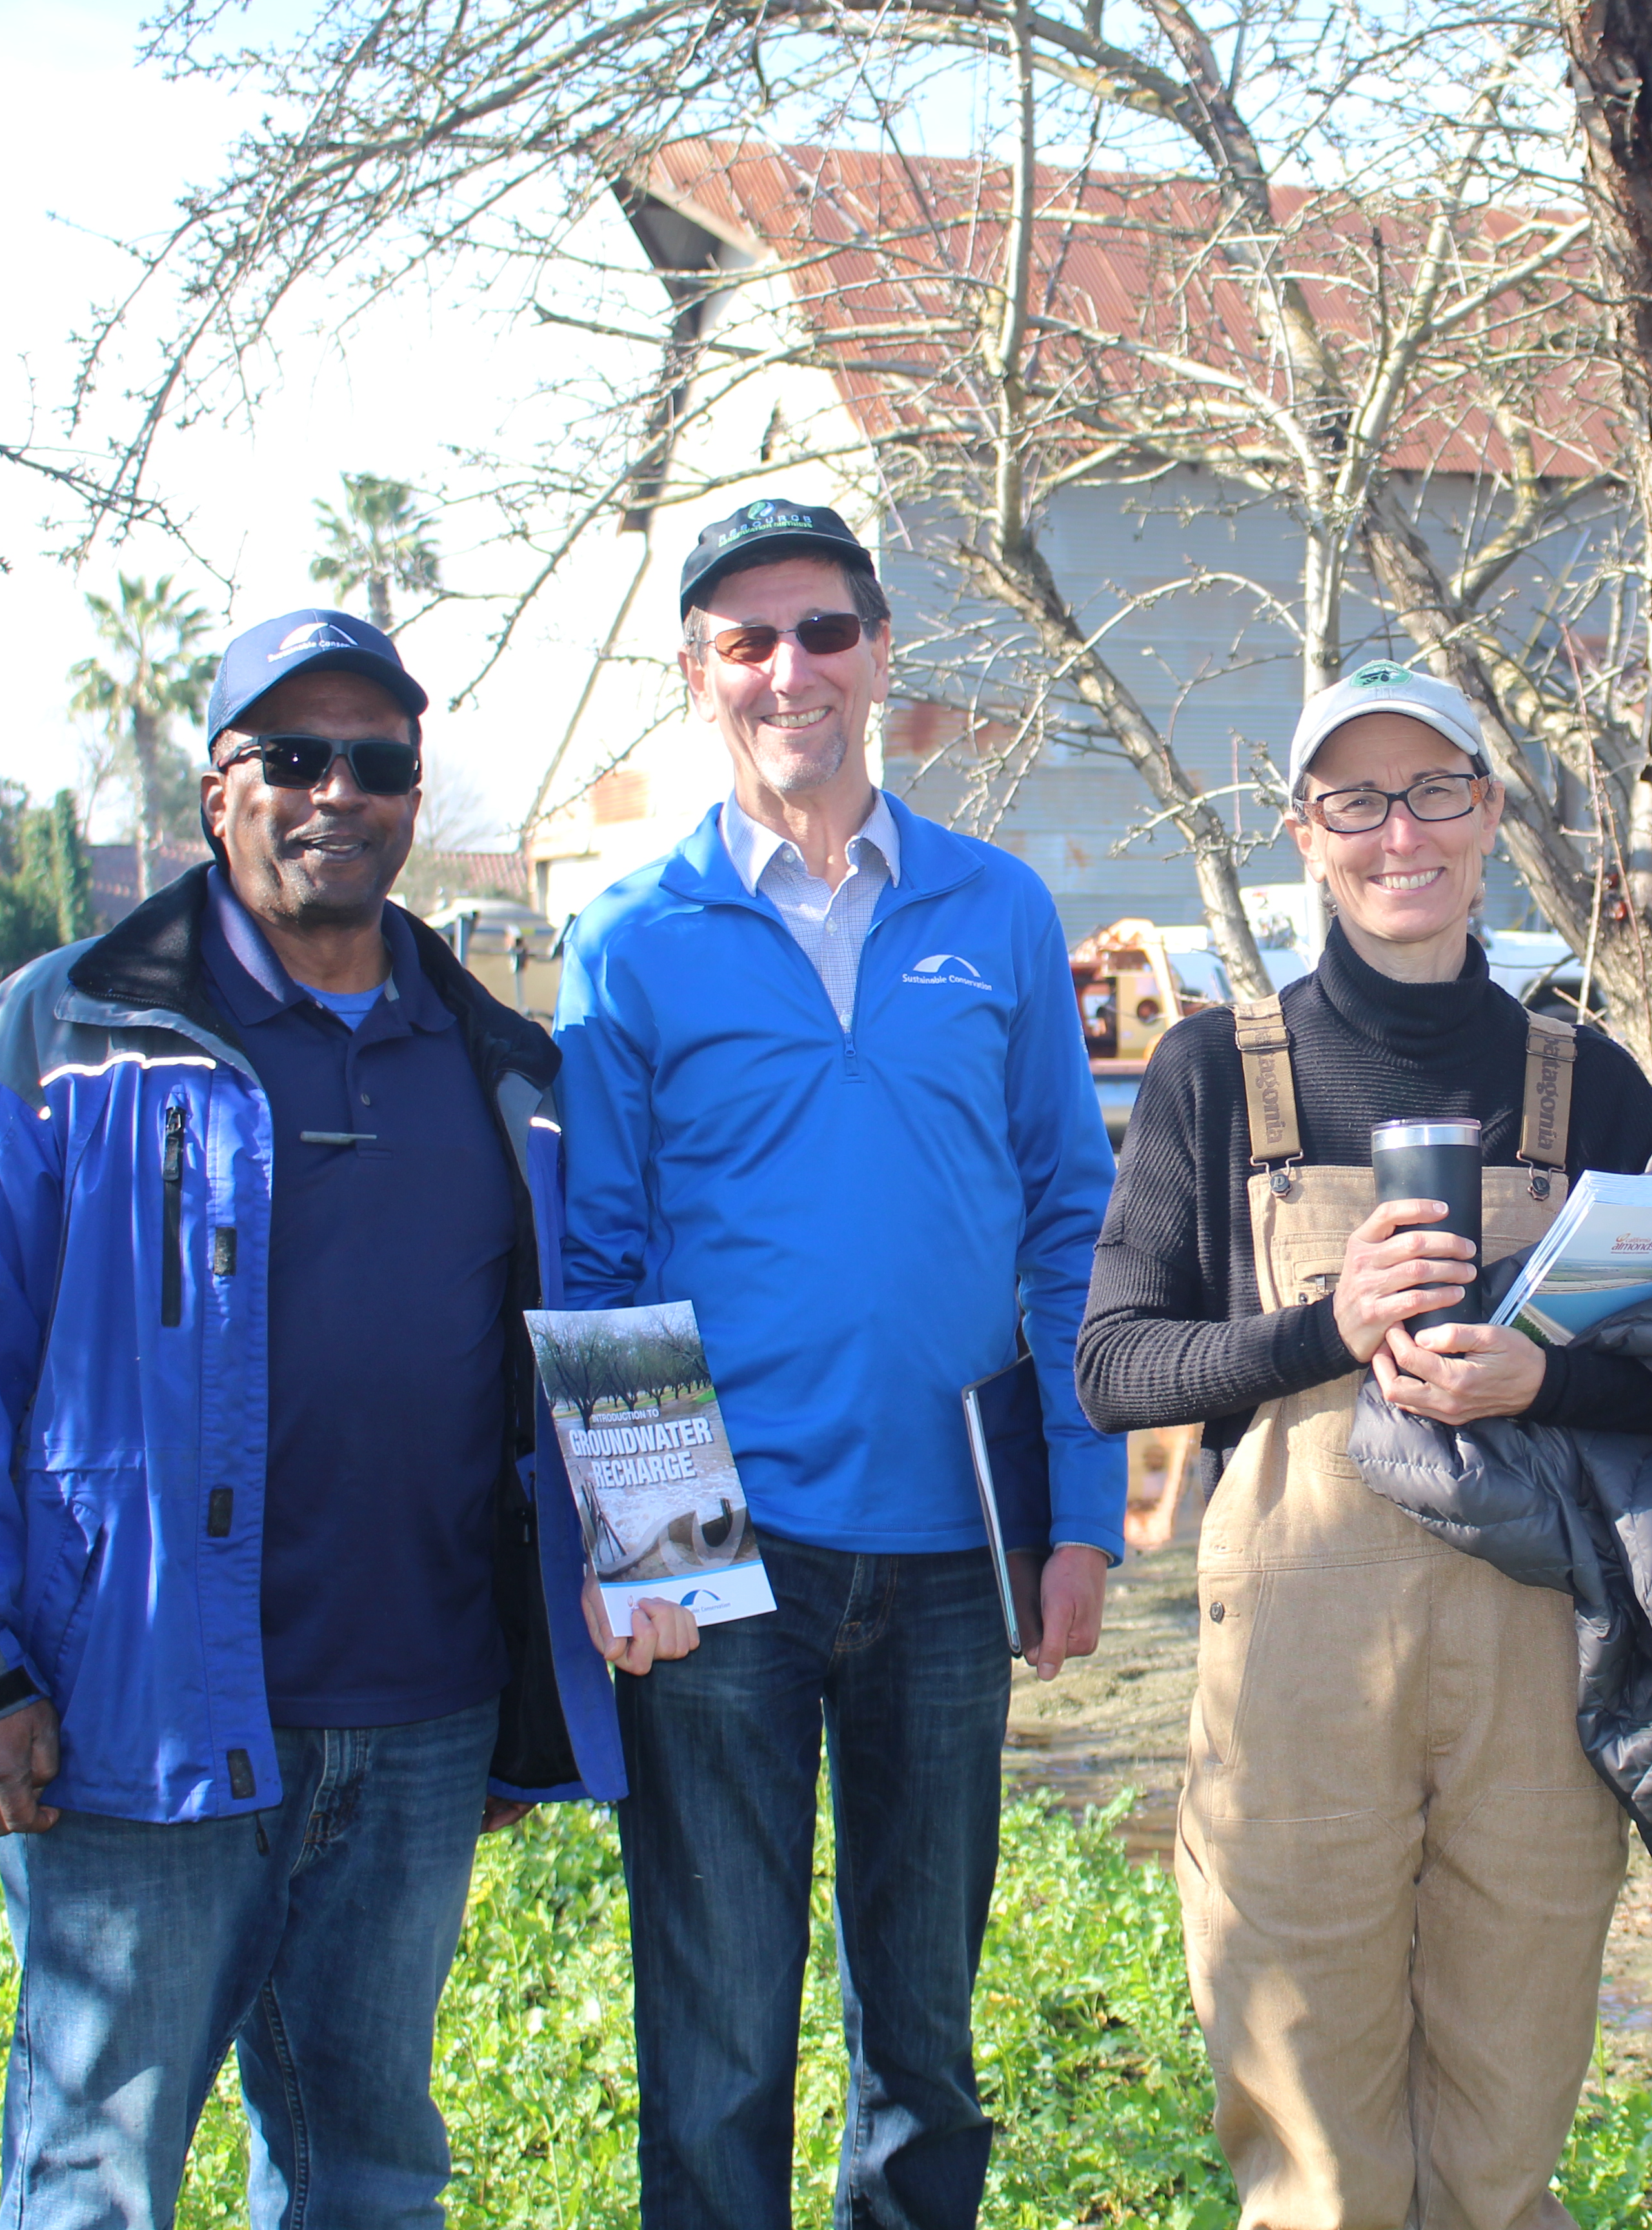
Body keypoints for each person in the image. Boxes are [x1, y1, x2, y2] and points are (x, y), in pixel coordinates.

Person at [0, 607, 685, 2230]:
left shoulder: (512, 1068)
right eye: (293, 757)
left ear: (415, 797)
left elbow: (605, 1308)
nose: (335, 793)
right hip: (134, 1722)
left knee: (370, 2165)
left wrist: (607, 1617)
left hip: (423, 1716)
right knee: (97, 2168)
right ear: (217, 791)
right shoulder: (65, 1039)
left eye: (374, 762)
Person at [1076, 660, 1652, 2230]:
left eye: (1435, 790)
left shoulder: (1587, 1080)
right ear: (1306, 832)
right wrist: (1324, 1328)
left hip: (1535, 1671)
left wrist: (1541, 1378)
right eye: (1356, 801)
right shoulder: (1215, 1073)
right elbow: (1113, 1366)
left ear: (1489, 815)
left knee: (1502, 2150)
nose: (1400, 834)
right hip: (1296, 1686)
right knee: (1318, 2166)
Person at [555, 497, 1124, 2229]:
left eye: (823, 630)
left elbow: (1070, 1218)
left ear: (879, 651)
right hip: (720, 1552)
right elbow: (601, 1259)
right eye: (748, 641)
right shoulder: (630, 936)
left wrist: (1078, 1517)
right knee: (718, 2032)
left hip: (955, 1543)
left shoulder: (997, 910)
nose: (788, 669)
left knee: (925, 2040)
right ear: (698, 674)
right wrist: (643, 1546)